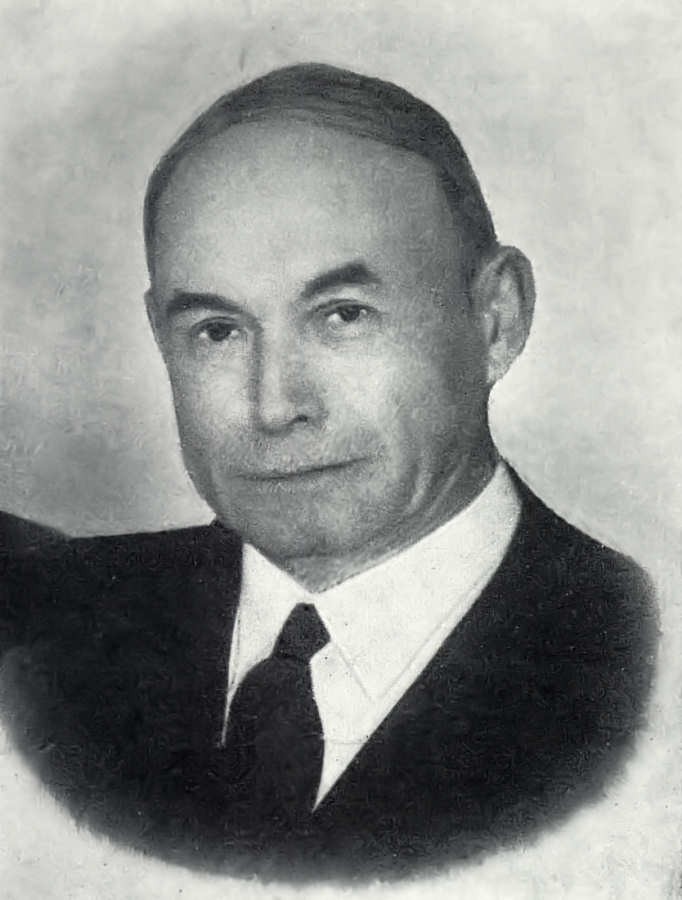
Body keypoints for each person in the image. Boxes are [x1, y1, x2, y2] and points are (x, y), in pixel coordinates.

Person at [0, 63, 657, 882]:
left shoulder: (645, 676)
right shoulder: (38, 625)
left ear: (496, 320)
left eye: (343, 315)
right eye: (217, 331)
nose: (275, 405)